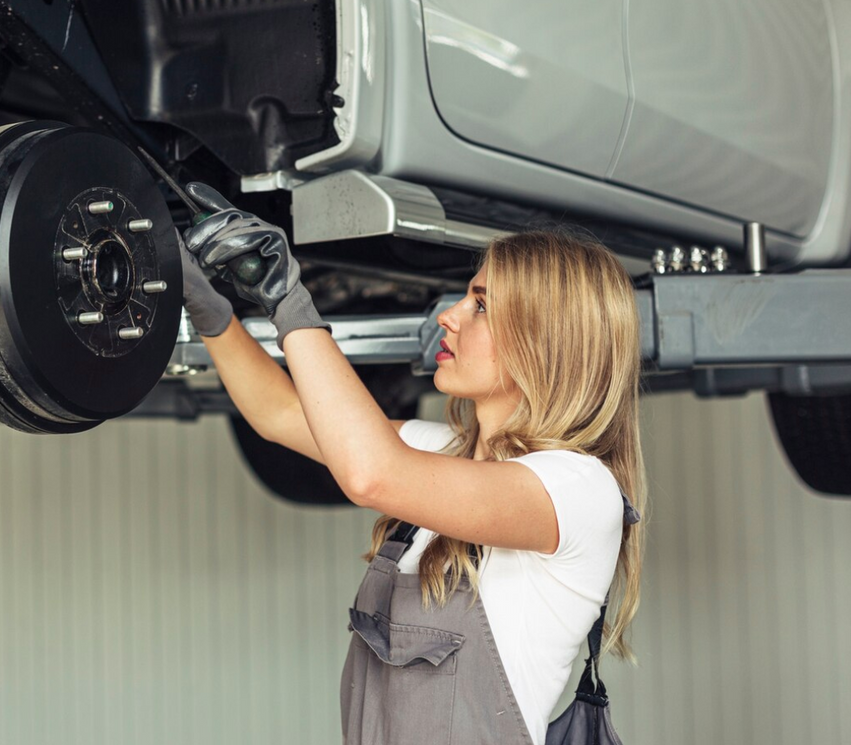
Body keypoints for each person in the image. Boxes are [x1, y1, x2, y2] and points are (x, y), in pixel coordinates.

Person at [177, 182, 646, 745]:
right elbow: (280, 415)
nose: (449, 316)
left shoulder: (577, 489)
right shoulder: (436, 451)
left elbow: (370, 472)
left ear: (544, 341)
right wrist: (210, 308)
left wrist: (290, 301)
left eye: (481, 305)